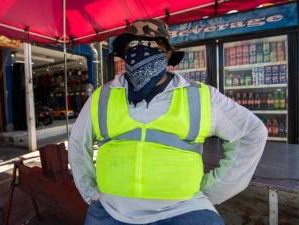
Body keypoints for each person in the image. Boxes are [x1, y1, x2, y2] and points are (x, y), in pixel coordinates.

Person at [68, 19, 267, 225]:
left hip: (184, 209)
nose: (141, 51)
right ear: (125, 53)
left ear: (168, 53)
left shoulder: (201, 96)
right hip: (110, 210)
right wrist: (91, 193)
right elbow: (77, 144)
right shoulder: (102, 96)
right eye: (133, 46)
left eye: (151, 45)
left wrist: (214, 189)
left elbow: (250, 132)